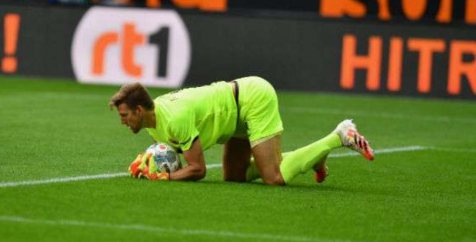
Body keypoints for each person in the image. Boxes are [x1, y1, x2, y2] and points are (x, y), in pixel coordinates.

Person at [110, 76, 374, 183]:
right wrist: (151, 162)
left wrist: (162, 177)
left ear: (139, 111)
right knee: (234, 178)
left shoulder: (173, 119)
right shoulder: (152, 123)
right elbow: (176, 155)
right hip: (231, 119)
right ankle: (314, 158)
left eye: (124, 115)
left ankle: (339, 135)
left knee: (274, 178)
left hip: (251, 99)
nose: (122, 121)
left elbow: (198, 169)